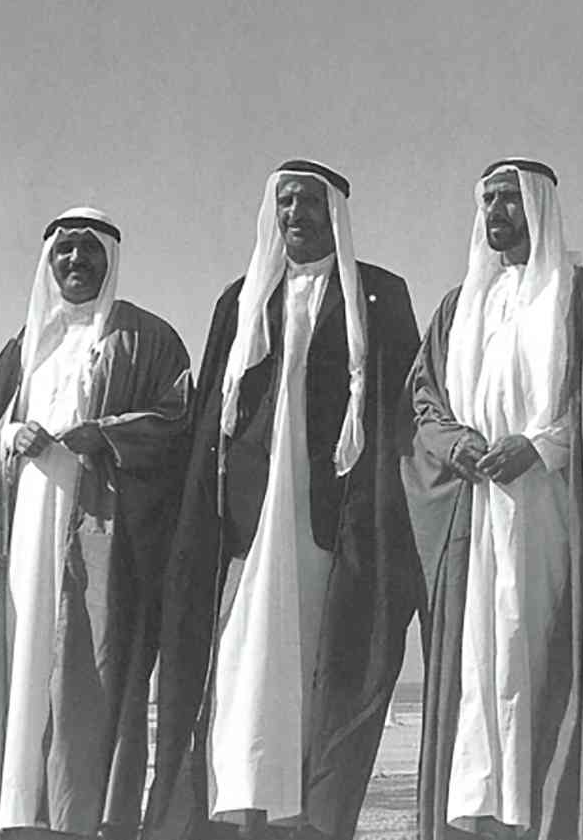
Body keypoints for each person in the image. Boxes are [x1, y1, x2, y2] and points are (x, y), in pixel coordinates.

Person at [146, 161, 420, 840]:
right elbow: (211, 416)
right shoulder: (241, 299)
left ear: (335, 214)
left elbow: (398, 410)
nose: (295, 213)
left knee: (319, 663)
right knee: (241, 663)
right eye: (285, 201)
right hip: (245, 524)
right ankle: (236, 807)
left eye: (308, 201)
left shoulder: (378, 295)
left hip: (333, 521)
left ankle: (304, 815)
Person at [0, 207, 191, 840]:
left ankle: (75, 810)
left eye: (88, 250)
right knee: (18, 648)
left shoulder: (146, 337)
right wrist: (11, 433)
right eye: (64, 250)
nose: (75, 261)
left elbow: (176, 420)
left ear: (110, 258)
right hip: (22, 523)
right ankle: (15, 805)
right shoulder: (25, 342)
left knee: (88, 663)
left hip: (100, 531)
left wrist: (106, 434)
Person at [404, 158, 583, 840]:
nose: (497, 212)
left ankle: (530, 819)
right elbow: (425, 398)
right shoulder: (458, 305)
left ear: (540, 207)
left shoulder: (582, 297)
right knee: (473, 663)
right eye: (489, 201)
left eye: (510, 199)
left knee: (527, 655)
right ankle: (472, 818)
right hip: (472, 511)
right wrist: (456, 443)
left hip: (545, 512)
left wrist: (539, 446)